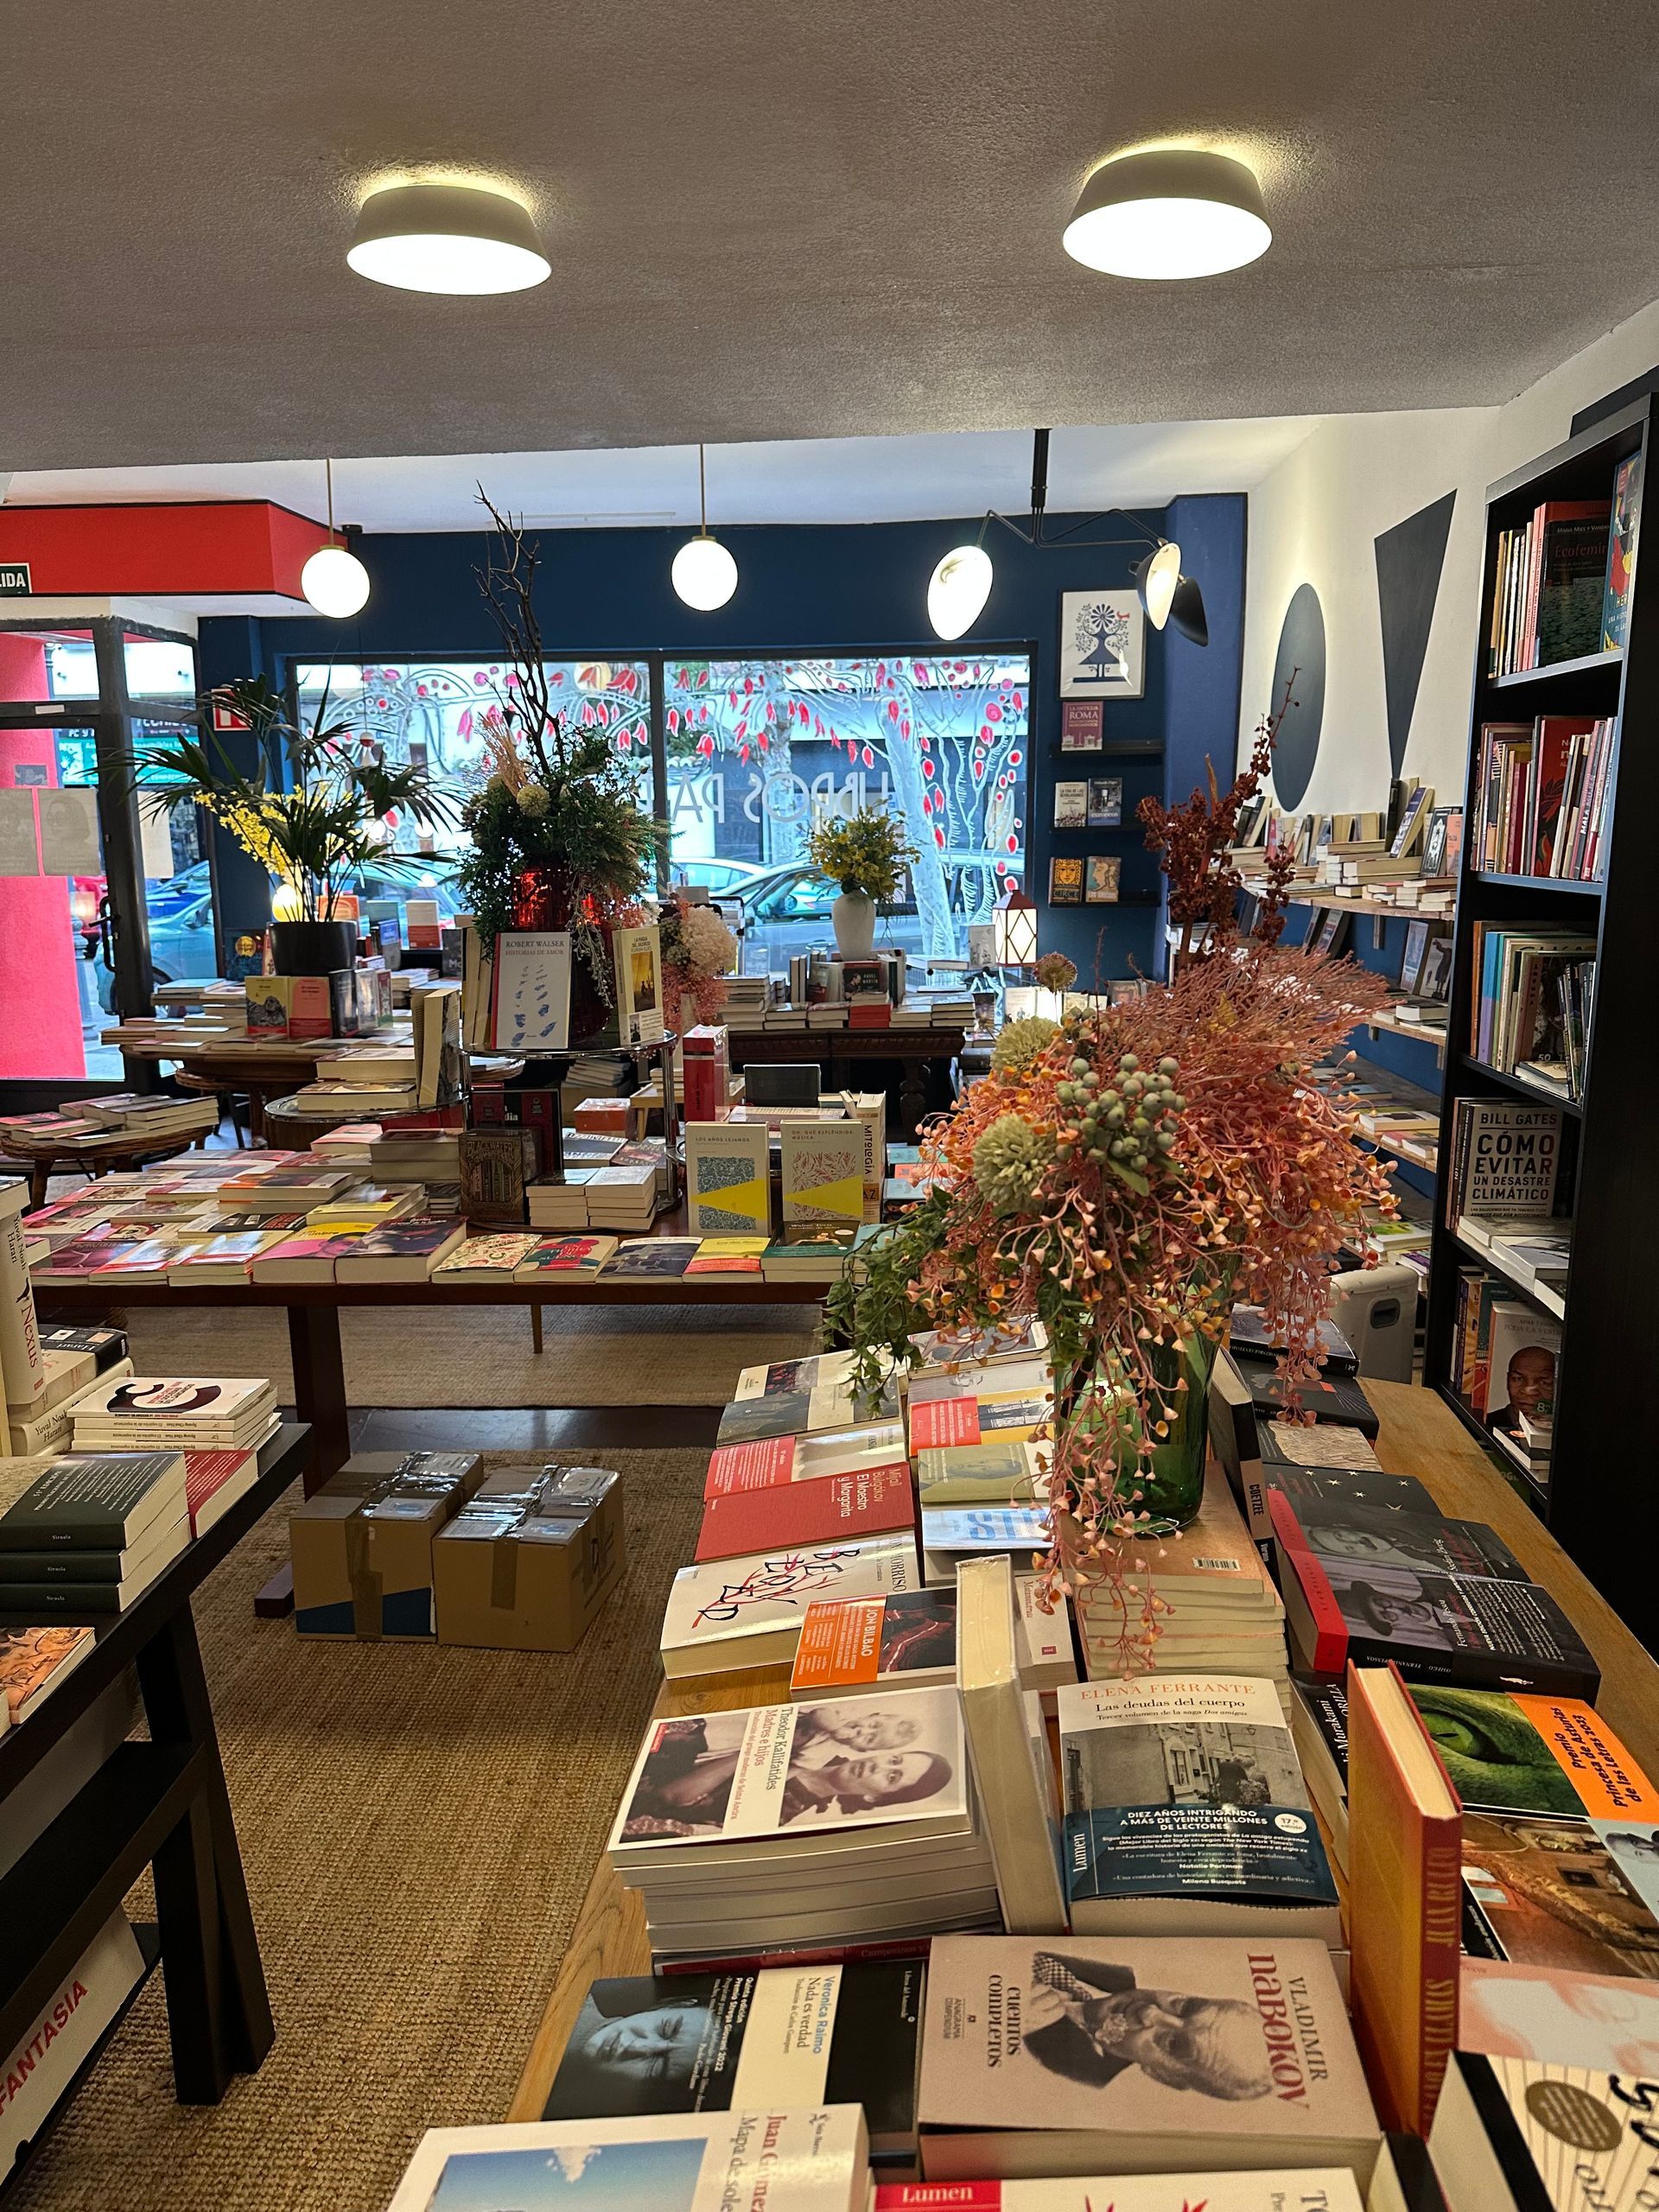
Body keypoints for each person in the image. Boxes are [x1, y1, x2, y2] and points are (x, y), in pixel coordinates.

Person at [1024, 1953, 1272, 2100]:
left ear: (1162, 2075)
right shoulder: (1113, 1963)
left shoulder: (1066, 2083)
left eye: (1173, 2043)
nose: (1149, 2012)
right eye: (1187, 2006)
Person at [553, 1986, 715, 2113]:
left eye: (656, 2068)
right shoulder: (564, 1994)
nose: (636, 2047)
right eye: (666, 2028)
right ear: (671, 2006)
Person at [780, 1745, 950, 1825]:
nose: (878, 1766)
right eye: (894, 1760)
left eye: (892, 1777)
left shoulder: (784, 1813)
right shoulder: (818, 1741)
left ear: (874, 1797)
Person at [793, 1704, 923, 1757]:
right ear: (869, 1716)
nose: (863, 1731)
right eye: (873, 1725)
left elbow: (799, 1767)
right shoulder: (840, 1716)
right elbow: (819, 1714)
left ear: (859, 1749)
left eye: (869, 1739)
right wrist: (835, 1728)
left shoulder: (827, 1754)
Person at [1487, 1344, 1556, 1438]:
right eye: (1518, 1379)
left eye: (1544, 1382)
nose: (1528, 1391)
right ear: (1508, 1380)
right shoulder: (1486, 1425)